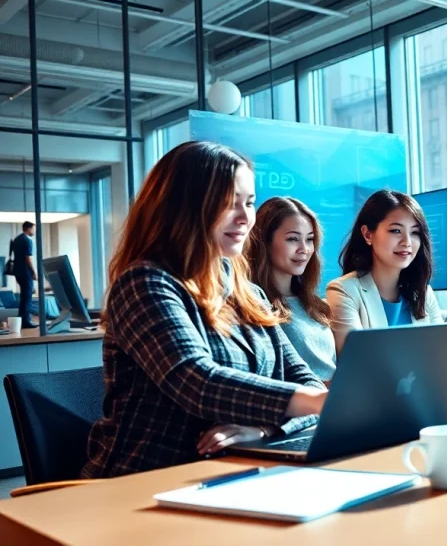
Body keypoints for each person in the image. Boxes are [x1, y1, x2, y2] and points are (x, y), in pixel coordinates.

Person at [82, 142, 327, 479]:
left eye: (250, 202)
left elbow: (307, 381)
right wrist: (313, 401)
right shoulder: (145, 283)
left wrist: (264, 427)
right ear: (184, 207)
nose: (245, 218)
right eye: (228, 204)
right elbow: (197, 381)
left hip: (232, 473)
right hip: (144, 480)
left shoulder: (249, 293)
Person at [327, 189, 447, 389]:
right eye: (395, 231)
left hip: (420, 402)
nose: (407, 242)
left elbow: (437, 367)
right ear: (368, 234)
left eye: (415, 232)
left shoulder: (423, 293)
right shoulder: (344, 291)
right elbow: (360, 369)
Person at [247, 197, 336, 383]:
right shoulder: (253, 305)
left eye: (310, 239)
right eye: (293, 239)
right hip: (301, 405)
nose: (304, 249)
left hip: (337, 404)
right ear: (265, 241)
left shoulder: (317, 306)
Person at [11, 221, 37, 328]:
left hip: (18, 272)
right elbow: (28, 258)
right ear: (29, 228)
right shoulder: (27, 240)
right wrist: (34, 272)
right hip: (26, 272)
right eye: (34, 228)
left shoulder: (17, 239)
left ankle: (22, 321)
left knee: (23, 297)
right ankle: (26, 321)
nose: (34, 231)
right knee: (27, 297)